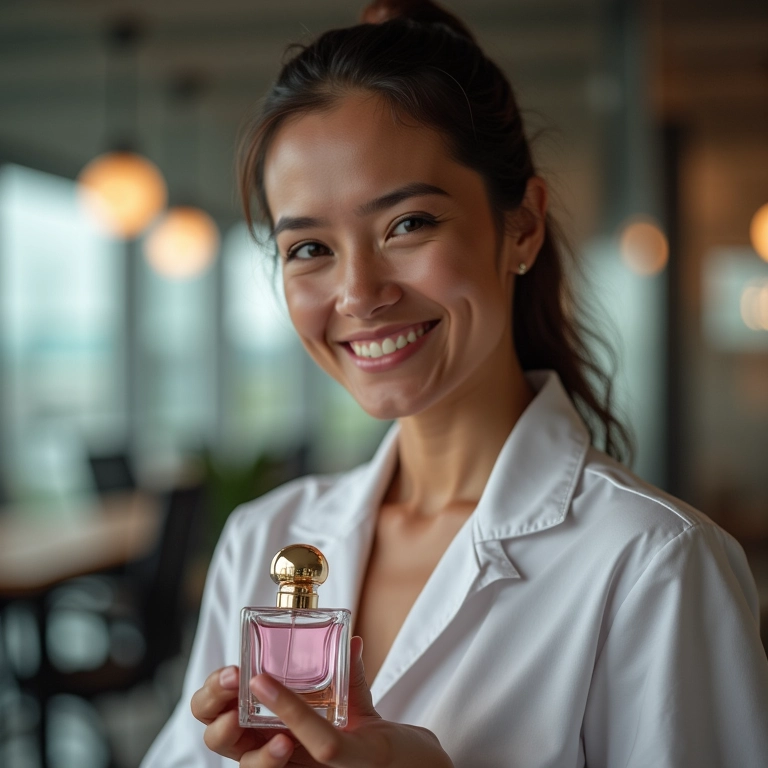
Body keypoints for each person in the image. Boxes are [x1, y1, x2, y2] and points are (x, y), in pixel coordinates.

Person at [141, 1, 768, 766]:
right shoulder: (267, 541)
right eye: (308, 247)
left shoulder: (652, 560)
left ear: (522, 226)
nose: (358, 293)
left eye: (408, 225)